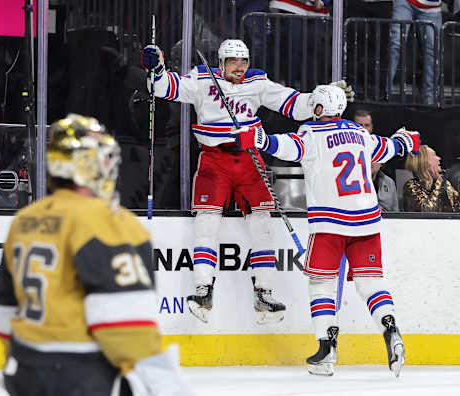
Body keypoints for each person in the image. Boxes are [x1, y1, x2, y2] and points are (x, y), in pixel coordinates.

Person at [140, 39, 355, 324]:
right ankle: (203, 290)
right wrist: (156, 69)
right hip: (214, 160)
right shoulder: (203, 79)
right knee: (206, 223)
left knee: (263, 225)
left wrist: (322, 97)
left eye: (243, 62)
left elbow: (292, 103)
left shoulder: (258, 82)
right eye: (233, 62)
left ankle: (263, 294)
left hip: (249, 159)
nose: (240, 68)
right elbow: (166, 88)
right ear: (221, 62)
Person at [0, 114, 195, 396]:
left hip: (26, 371)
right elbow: (125, 326)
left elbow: (2, 309)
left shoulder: (25, 220)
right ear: (86, 166)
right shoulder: (108, 222)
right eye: (103, 159)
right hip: (86, 377)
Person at [235, 85, 421, 377]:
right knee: (370, 282)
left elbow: (283, 146)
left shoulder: (312, 135)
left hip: (330, 223)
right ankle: (390, 327)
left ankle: (327, 348)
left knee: (321, 284)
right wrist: (407, 140)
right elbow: (392, 147)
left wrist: (257, 138)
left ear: (319, 109)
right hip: (367, 221)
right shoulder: (361, 134)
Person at [387, 0, 442, 104]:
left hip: (431, 6)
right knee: (396, 43)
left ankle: (430, 100)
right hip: (405, 2)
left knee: (434, 51)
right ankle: (385, 93)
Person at [354, 109, 399, 212]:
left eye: (367, 125)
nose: (363, 129)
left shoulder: (379, 145)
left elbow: (397, 213)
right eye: (359, 125)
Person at [403, 144, 460, 212]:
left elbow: (457, 208)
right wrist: (439, 183)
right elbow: (426, 212)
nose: (439, 158)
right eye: (434, 155)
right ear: (424, 162)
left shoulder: (445, 183)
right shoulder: (411, 186)